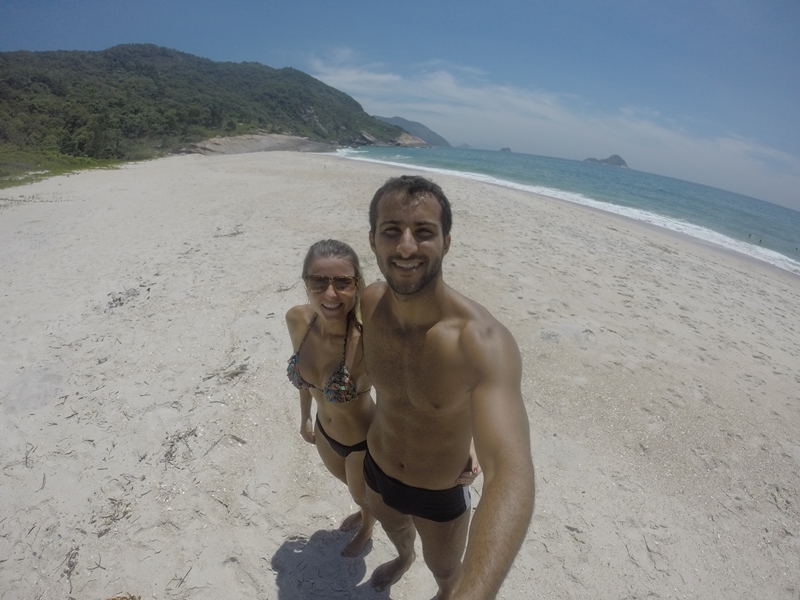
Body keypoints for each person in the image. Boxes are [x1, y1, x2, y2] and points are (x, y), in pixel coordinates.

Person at [361, 176, 535, 599]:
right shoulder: (369, 303)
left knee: (446, 570)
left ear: (447, 242)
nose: (406, 247)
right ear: (372, 241)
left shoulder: (481, 341)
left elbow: (510, 470)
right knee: (395, 529)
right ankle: (403, 557)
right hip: (377, 467)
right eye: (391, 231)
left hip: (438, 491)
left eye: (423, 232)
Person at [285, 239, 376, 557]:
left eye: (342, 282)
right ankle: (364, 511)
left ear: (357, 285)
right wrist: (305, 417)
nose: (330, 294)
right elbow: (304, 378)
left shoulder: (368, 340)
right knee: (354, 491)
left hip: (362, 443)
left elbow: (412, 390)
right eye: (319, 282)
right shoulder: (297, 320)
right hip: (324, 432)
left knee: (363, 496)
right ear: (306, 283)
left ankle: (368, 526)